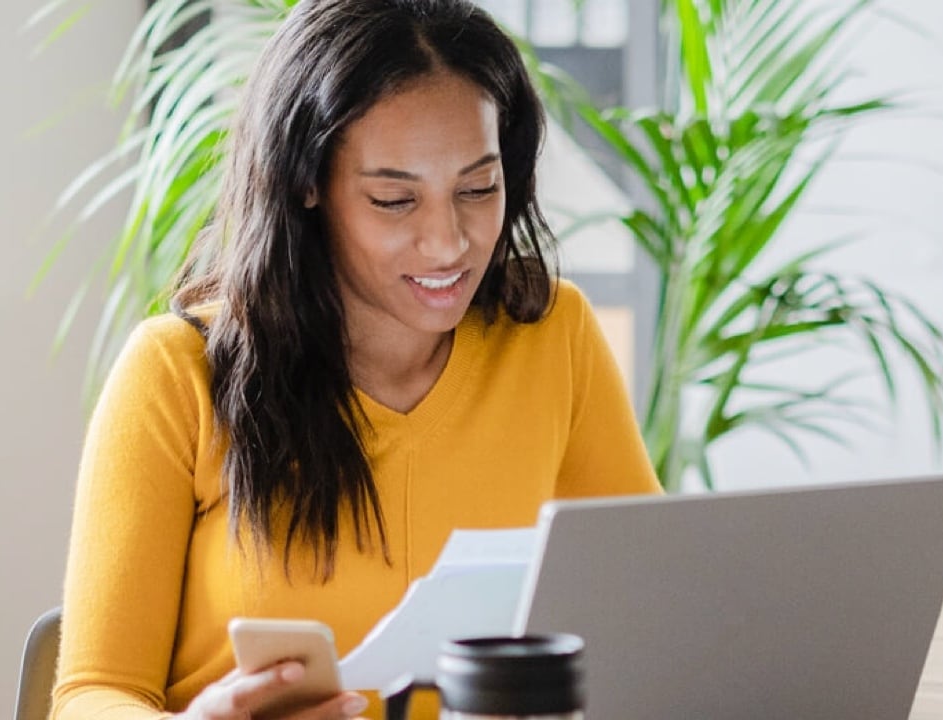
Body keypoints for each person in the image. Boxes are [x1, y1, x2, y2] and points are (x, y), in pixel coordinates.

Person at [51, 1, 662, 718]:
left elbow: (648, 629)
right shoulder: (178, 372)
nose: (448, 243)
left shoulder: (555, 336)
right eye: (394, 199)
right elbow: (93, 693)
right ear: (308, 185)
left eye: (479, 188)